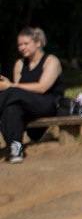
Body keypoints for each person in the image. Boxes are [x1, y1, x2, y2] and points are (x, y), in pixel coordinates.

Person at [1, 27, 67, 161]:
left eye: (26, 44)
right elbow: (18, 94)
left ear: (38, 43)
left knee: (13, 92)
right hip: (28, 106)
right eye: (19, 45)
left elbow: (42, 87)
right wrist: (11, 87)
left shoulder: (51, 61)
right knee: (12, 108)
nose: (22, 48)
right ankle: (15, 149)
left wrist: (10, 86)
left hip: (48, 104)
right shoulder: (19, 64)